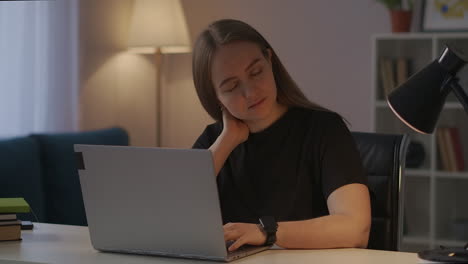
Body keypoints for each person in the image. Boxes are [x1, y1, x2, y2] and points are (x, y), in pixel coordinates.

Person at [191, 19, 370, 252]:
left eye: (256, 72)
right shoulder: (213, 142)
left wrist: (266, 232)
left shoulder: (324, 129)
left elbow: (355, 229)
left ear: (270, 60)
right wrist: (226, 142)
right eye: (231, 86)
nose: (251, 91)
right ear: (215, 97)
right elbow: (170, 219)